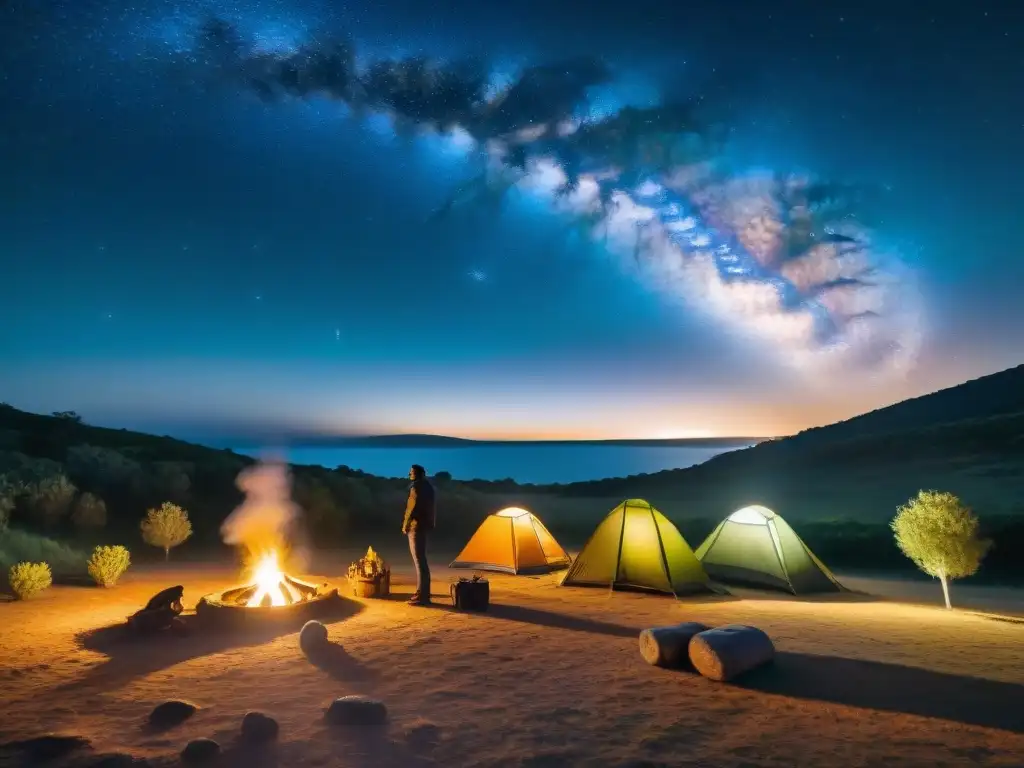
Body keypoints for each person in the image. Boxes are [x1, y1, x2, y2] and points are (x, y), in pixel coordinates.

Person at [402, 464, 436, 605]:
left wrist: (405, 525)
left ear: (417, 474)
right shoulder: (429, 487)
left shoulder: (415, 488)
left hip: (416, 526)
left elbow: (411, 508)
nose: (409, 474)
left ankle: (422, 596)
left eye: (411, 473)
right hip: (425, 526)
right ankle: (423, 593)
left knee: (419, 561)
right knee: (422, 560)